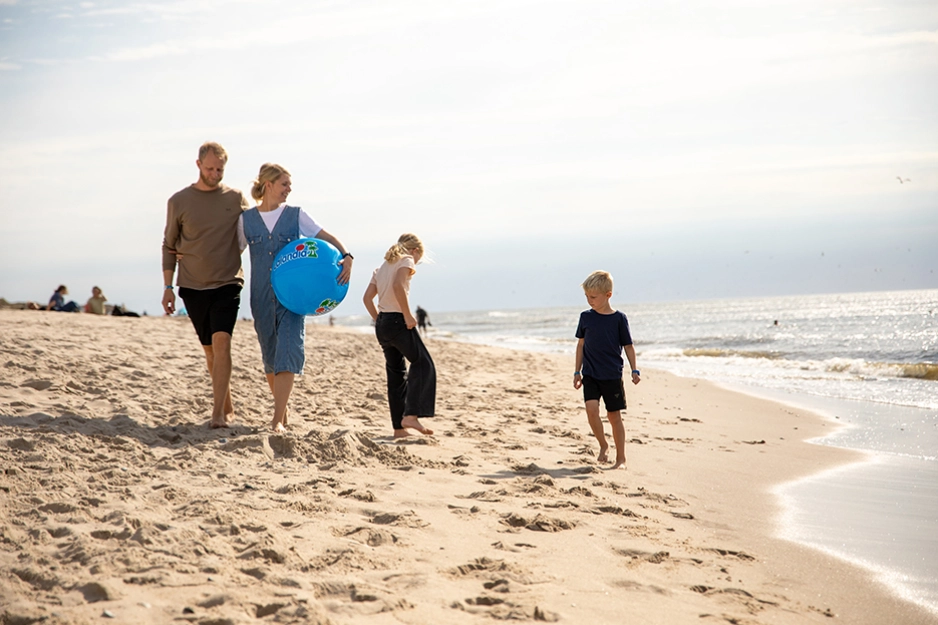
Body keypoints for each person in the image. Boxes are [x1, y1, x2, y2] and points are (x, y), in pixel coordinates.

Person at [239, 163, 353, 433]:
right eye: (284, 184)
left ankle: (277, 418)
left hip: (295, 298)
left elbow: (325, 235)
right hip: (261, 295)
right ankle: (283, 408)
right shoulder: (246, 220)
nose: (289, 189)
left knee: (288, 351)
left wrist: (346, 255)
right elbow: (230, 252)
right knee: (269, 356)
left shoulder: (296, 215)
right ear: (268, 185)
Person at [162, 142, 250, 429]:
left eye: (220, 169)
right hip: (192, 285)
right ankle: (227, 404)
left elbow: (255, 227)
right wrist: (168, 287)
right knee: (210, 349)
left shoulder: (236, 198)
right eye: (210, 168)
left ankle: (218, 415)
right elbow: (169, 245)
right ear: (198, 165)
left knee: (223, 342)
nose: (215, 174)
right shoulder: (179, 201)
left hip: (227, 281)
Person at [362, 234, 436, 438]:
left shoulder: (381, 267)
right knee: (423, 364)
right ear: (414, 251)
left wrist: (379, 320)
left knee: (396, 375)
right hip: (397, 321)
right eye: (419, 258)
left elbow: (367, 298)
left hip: (383, 324)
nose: (416, 264)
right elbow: (398, 286)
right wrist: (407, 315)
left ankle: (399, 429)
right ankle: (411, 415)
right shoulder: (406, 259)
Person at [573, 270, 640, 469]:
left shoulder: (619, 319)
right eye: (586, 296)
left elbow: (628, 346)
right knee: (591, 410)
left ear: (608, 295)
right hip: (590, 374)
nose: (589, 300)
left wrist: (634, 369)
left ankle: (621, 459)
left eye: (593, 297)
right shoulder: (585, 317)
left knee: (614, 416)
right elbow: (581, 345)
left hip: (611, 375)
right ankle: (603, 445)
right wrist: (577, 372)